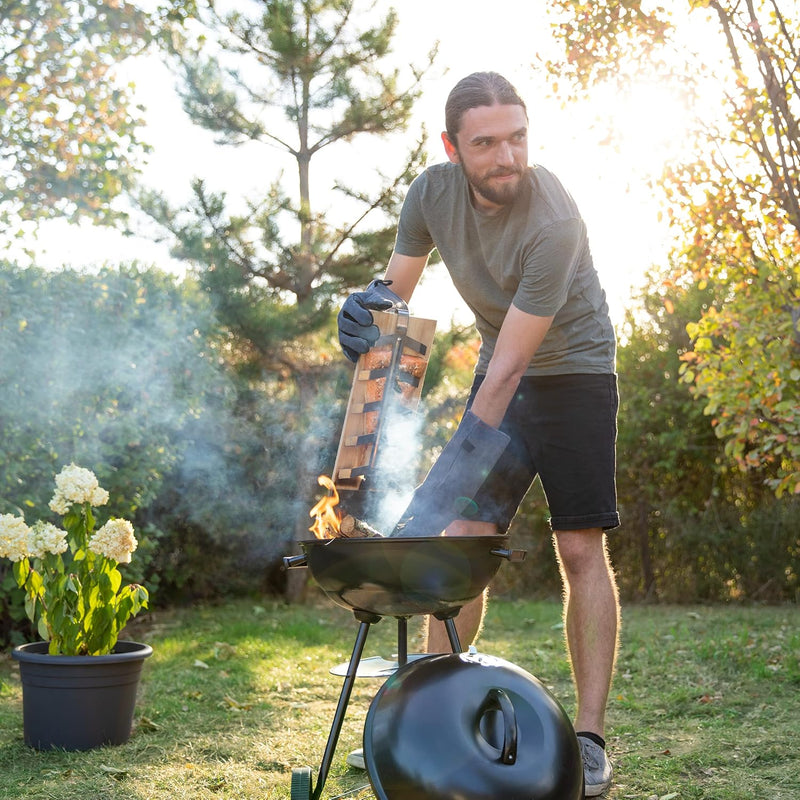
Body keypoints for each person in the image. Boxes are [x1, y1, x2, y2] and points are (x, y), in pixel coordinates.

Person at [338, 71, 620, 797]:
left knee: (579, 546)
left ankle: (588, 737)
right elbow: (393, 296)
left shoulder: (554, 222)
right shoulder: (431, 193)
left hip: (576, 375)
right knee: (461, 536)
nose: (507, 158)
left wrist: (433, 494)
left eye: (517, 138)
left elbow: (508, 372)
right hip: (507, 371)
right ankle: (427, 712)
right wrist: (363, 314)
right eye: (487, 143)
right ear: (452, 147)